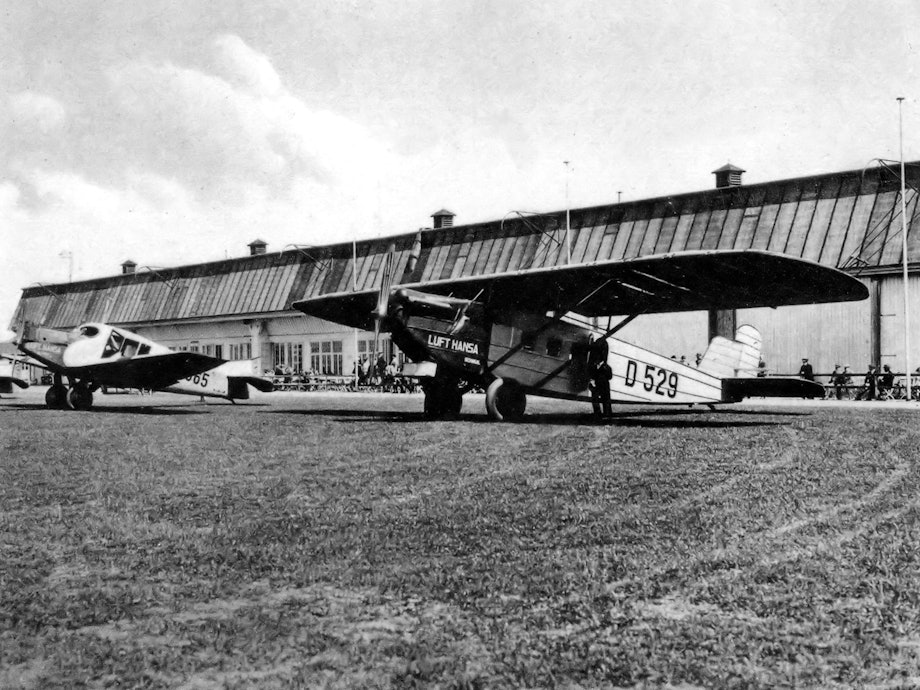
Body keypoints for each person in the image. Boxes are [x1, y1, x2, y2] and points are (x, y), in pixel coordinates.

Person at [588, 338, 612, 419]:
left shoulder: (603, 367)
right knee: (601, 398)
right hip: (600, 383)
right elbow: (610, 376)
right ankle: (600, 413)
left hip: (601, 383)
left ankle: (605, 414)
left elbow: (609, 376)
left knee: (604, 399)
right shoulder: (605, 367)